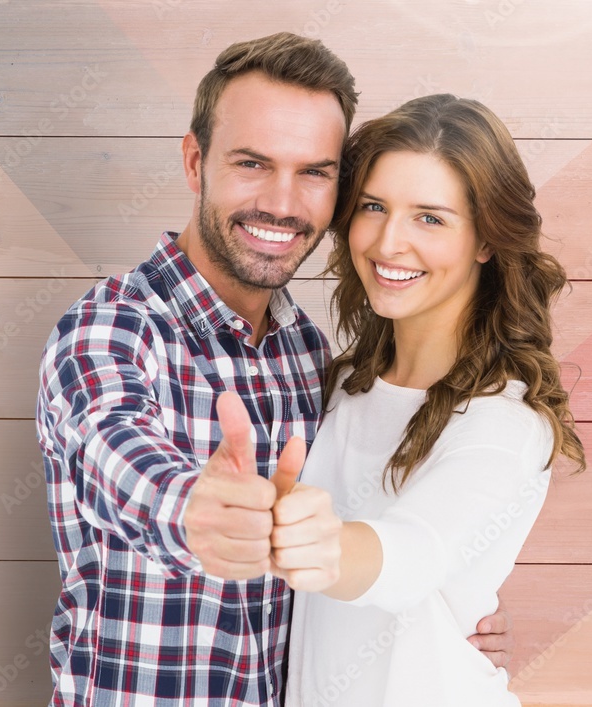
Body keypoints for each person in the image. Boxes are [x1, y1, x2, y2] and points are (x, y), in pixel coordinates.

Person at [35, 33, 511, 707]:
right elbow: (111, 449)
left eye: (314, 172)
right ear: (196, 162)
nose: (284, 204)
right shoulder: (110, 327)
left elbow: (372, 538)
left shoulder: (312, 357)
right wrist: (191, 510)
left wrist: (438, 621)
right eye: (253, 163)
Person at [279, 94, 586, 706]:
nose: (390, 243)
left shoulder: (504, 421)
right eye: (374, 207)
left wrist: (305, 541)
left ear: (486, 241)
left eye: (431, 218)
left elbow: (413, 556)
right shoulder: (339, 387)